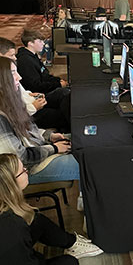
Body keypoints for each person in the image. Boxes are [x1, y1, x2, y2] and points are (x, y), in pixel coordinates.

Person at [0, 153, 103, 263]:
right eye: (23, 171)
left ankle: (73, 243)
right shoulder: (13, 225)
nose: (27, 170)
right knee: (70, 262)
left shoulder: (9, 207)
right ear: (11, 183)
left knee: (36, 220)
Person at [0, 56, 78, 184]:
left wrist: (49, 136)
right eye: (13, 73)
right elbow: (21, 158)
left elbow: (28, 129)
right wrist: (54, 148)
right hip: (29, 169)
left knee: (82, 139)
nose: (19, 77)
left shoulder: (8, 102)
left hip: (40, 150)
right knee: (86, 163)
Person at [0, 37, 70, 132]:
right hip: (29, 112)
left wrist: (30, 94)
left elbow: (22, 91)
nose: (15, 58)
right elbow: (11, 114)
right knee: (62, 114)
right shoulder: (6, 76)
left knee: (63, 93)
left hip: (31, 103)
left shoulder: (11, 71)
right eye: (12, 55)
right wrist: (33, 107)